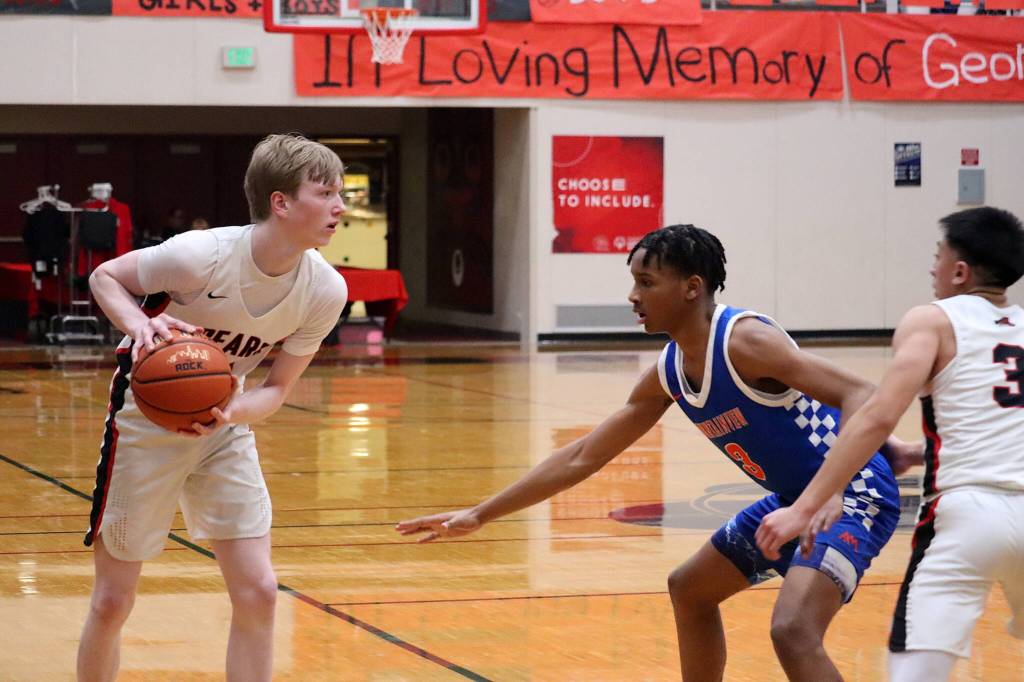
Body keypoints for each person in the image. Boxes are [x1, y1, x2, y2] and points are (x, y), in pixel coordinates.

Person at [396, 224, 916, 681]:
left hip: (851, 494)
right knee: (690, 590)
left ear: (692, 288)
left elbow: (862, 396)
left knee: (792, 629)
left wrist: (826, 492)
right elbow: (582, 456)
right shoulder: (670, 371)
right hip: (795, 497)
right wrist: (481, 514)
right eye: (634, 282)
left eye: (646, 283)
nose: (633, 295)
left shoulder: (745, 342)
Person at [78, 133, 349, 682]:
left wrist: (232, 411)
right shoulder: (199, 255)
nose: (340, 206)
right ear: (281, 202)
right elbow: (104, 276)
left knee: (260, 592)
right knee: (112, 601)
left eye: (340, 193)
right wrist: (140, 324)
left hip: (224, 430)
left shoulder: (325, 289)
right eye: (325, 192)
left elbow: (275, 391)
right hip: (145, 424)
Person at [756, 206, 1024, 682]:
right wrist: (924, 451)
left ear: (959, 272)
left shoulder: (932, 321)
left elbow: (878, 415)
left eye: (938, 256)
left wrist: (805, 508)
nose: (931, 268)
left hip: (965, 519)